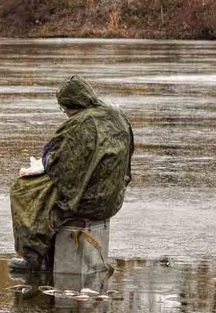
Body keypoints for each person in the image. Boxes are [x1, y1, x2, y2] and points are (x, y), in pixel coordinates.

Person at [9, 76, 133, 271]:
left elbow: (62, 170)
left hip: (89, 202)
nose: (65, 113)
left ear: (72, 103)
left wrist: (40, 166)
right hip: (112, 199)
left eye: (64, 108)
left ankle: (34, 255)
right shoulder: (117, 114)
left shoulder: (80, 124)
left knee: (23, 191)